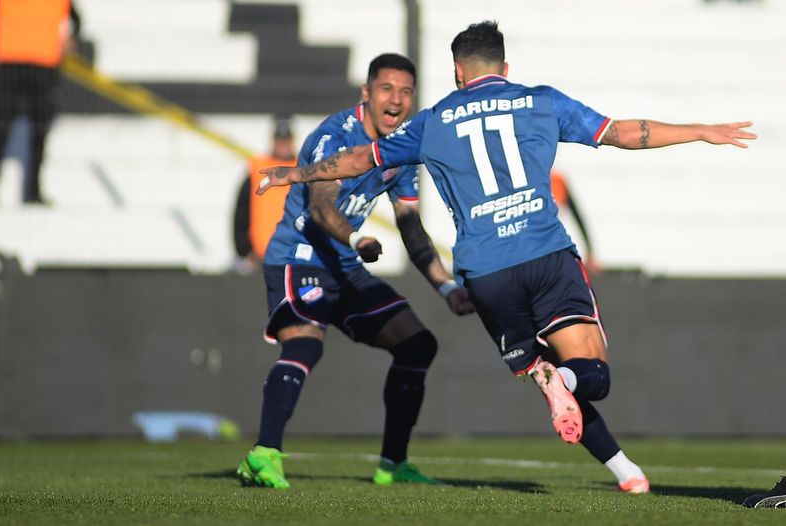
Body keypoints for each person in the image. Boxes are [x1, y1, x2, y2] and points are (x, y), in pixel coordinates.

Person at [257, 21, 756, 493]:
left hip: (485, 274)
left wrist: (291, 175)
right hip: (545, 255)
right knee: (590, 373)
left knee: (544, 377)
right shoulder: (540, 101)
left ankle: (626, 470)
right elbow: (624, 133)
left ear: (458, 72)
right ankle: (566, 382)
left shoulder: (430, 123)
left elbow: (360, 159)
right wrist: (700, 130)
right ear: (505, 68)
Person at [236, 53, 475, 490]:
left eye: (405, 92)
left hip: (346, 268)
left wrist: (445, 288)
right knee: (305, 345)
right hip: (300, 259)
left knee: (418, 345)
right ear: (366, 94)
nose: (396, 101)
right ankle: (263, 454)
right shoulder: (334, 137)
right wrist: (355, 239)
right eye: (386, 89)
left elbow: (409, 224)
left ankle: (392, 465)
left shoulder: (400, 151)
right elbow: (323, 206)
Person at [0, 0, 80, 204]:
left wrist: (71, 38)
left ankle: (33, 190)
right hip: (11, 60)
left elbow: (76, 19)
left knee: (39, 129)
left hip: (44, 62)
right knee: (1, 128)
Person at [233, 117, 297, 272]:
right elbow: (242, 211)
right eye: (279, 141)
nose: (283, 146)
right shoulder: (258, 170)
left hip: (295, 255)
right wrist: (244, 249)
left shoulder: (302, 169)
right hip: (260, 255)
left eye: (286, 141)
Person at [550, 169, 599, 272]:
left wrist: (590, 252)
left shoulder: (558, 181)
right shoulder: (528, 180)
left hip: (556, 248)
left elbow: (578, 217)